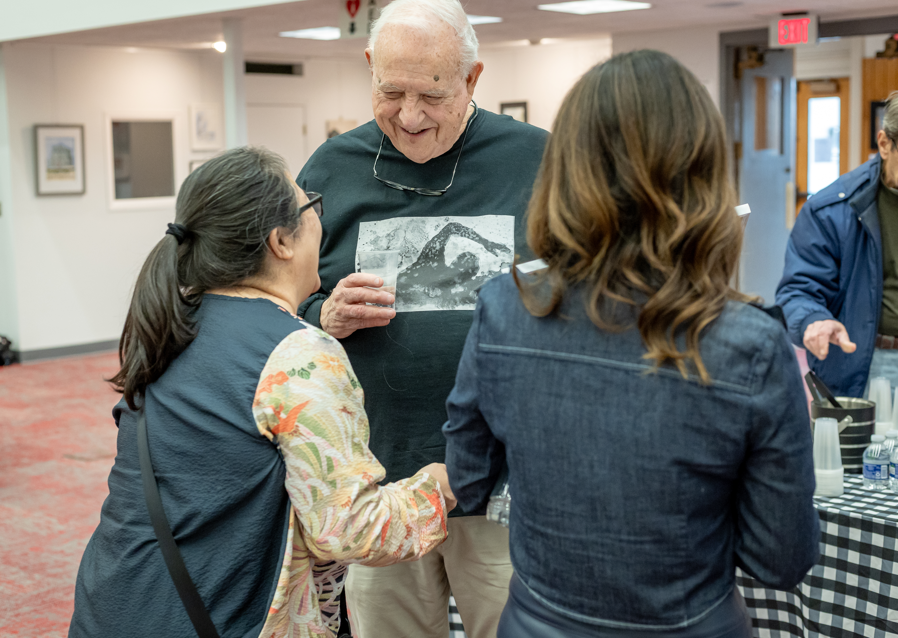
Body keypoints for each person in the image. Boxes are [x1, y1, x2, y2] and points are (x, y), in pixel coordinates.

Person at [442, 50, 820, 638]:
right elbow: (781, 560)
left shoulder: (503, 308)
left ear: (565, 168)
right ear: (704, 174)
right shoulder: (751, 344)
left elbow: (466, 481)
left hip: (537, 620)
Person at [68, 147, 453, 638]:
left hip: (120, 602)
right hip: (227, 614)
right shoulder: (298, 354)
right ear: (280, 241)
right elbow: (351, 531)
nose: (319, 219)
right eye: (311, 207)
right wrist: (443, 482)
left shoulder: (175, 323)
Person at [295, 1, 547, 636]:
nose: (409, 116)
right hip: (378, 473)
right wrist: (322, 313)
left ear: (472, 78)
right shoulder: (331, 169)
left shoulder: (540, 162)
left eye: (431, 94)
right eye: (391, 92)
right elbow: (272, 307)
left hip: (502, 476)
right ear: (369, 70)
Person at [776, 91, 898, 397]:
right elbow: (799, 290)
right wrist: (813, 320)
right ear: (884, 144)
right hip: (867, 366)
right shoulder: (832, 210)